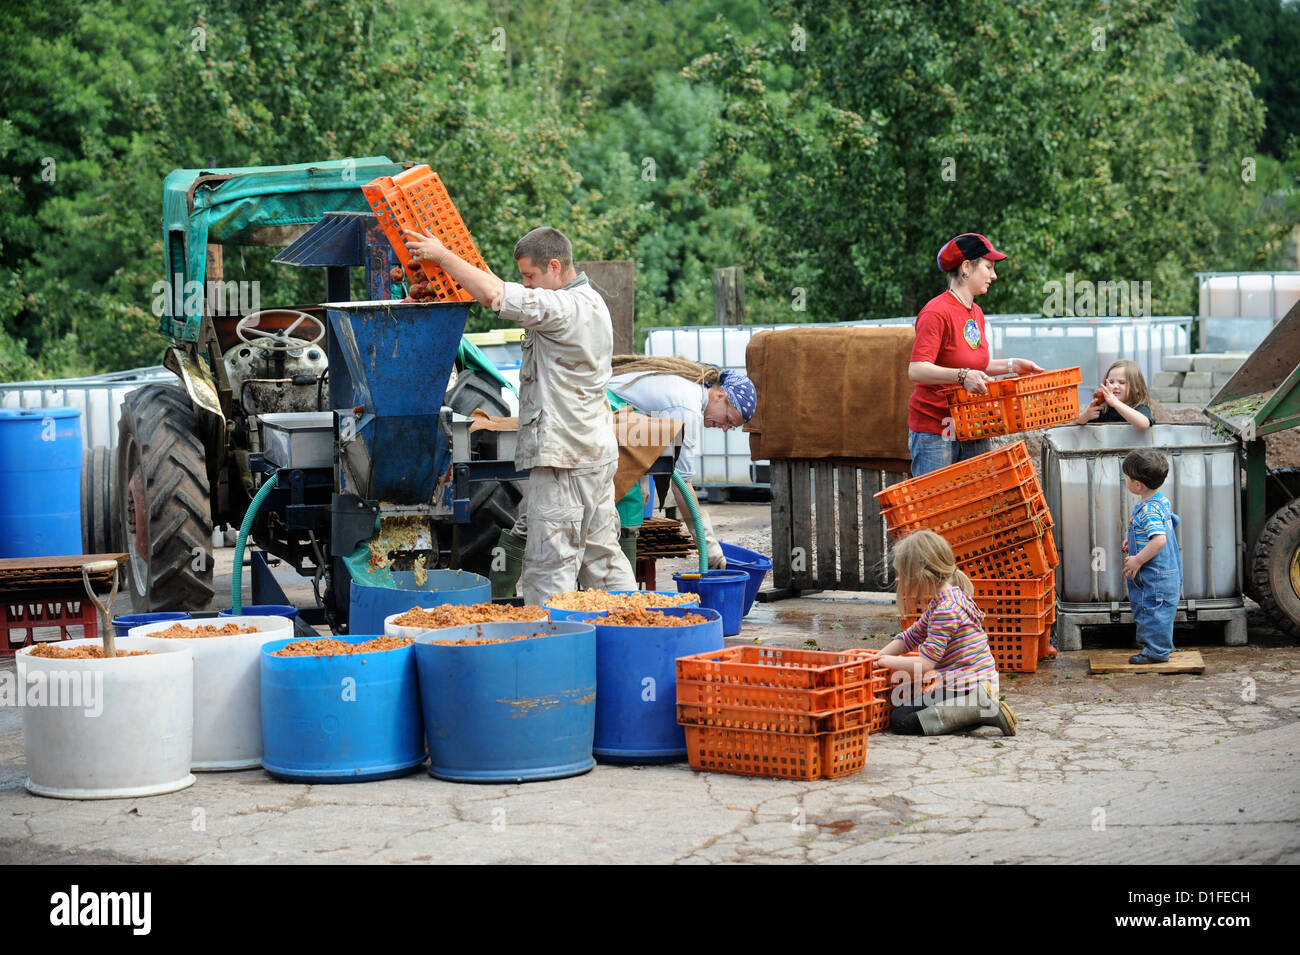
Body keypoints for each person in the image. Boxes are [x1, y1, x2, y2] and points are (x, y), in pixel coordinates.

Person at [403, 224, 637, 606]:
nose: (526, 285)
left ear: (556, 267)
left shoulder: (565, 307)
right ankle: (630, 633)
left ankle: (549, 648)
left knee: (550, 564)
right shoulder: (592, 303)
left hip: (564, 459)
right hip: (592, 453)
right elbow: (497, 289)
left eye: (530, 276)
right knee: (603, 558)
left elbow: (495, 294)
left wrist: (442, 257)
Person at [907, 233, 1045, 477]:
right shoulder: (936, 311)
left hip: (974, 424)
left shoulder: (976, 312)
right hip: (936, 429)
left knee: (976, 509)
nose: (994, 275)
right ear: (966, 267)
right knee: (938, 510)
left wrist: (1014, 365)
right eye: (989, 267)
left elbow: (976, 364)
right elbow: (917, 369)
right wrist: (962, 377)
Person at [606, 356, 757, 569]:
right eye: (729, 421)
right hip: (601, 409)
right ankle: (615, 584)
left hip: (613, 414)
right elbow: (682, 486)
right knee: (628, 501)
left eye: (730, 427)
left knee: (636, 498)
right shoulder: (687, 408)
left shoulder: (689, 391)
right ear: (721, 396)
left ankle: (619, 574)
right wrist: (709, 546)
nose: (724, 428)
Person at [875, 530, 1017, 736]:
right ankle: (978, 710)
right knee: (908, 704)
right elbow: (910, 637)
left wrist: (884, 661)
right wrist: (877, 656)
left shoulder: (946, 610)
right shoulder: (947, 599)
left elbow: (925, 665)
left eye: (903, 574)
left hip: (969, 688)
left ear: (920, 574)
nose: (899, 579)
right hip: (971, 685)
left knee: (900, 720)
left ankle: (981, 709)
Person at [1121, 448, 1182, 664]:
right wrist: (1134, 542)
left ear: (1138, 485)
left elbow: (1159, 540)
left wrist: (1138, 559)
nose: (1125, 480)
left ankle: (1157, 651)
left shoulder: (1148, 510)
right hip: (1163, 570)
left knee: (1153, 611)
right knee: (1154, 610)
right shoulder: (1160, 501)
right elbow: (1164, 527)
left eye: (1127, 478)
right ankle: (1156, 646)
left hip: (1155, 575)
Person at [1076, 359, 1154, 430]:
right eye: (1111, 382)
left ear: (1137, 387)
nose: (1114, 386)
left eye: (1122, 382)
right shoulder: (1103, 410)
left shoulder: (1140, 408)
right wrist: (1085, 416)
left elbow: (1143, 424)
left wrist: (1116, 403)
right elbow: (1075, 424)